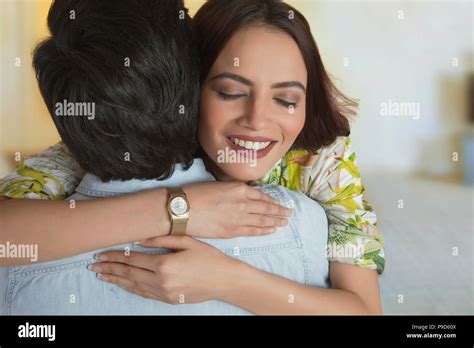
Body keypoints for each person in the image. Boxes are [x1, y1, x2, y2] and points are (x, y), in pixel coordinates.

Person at [0, 0, 384, 314]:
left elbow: (364, 310)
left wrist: (227, 280)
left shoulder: (322, 162)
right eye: (231, 92)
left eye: (286, 100)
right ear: (187, 88)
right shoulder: (122, 142)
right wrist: (176, 210)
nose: (257, 120)